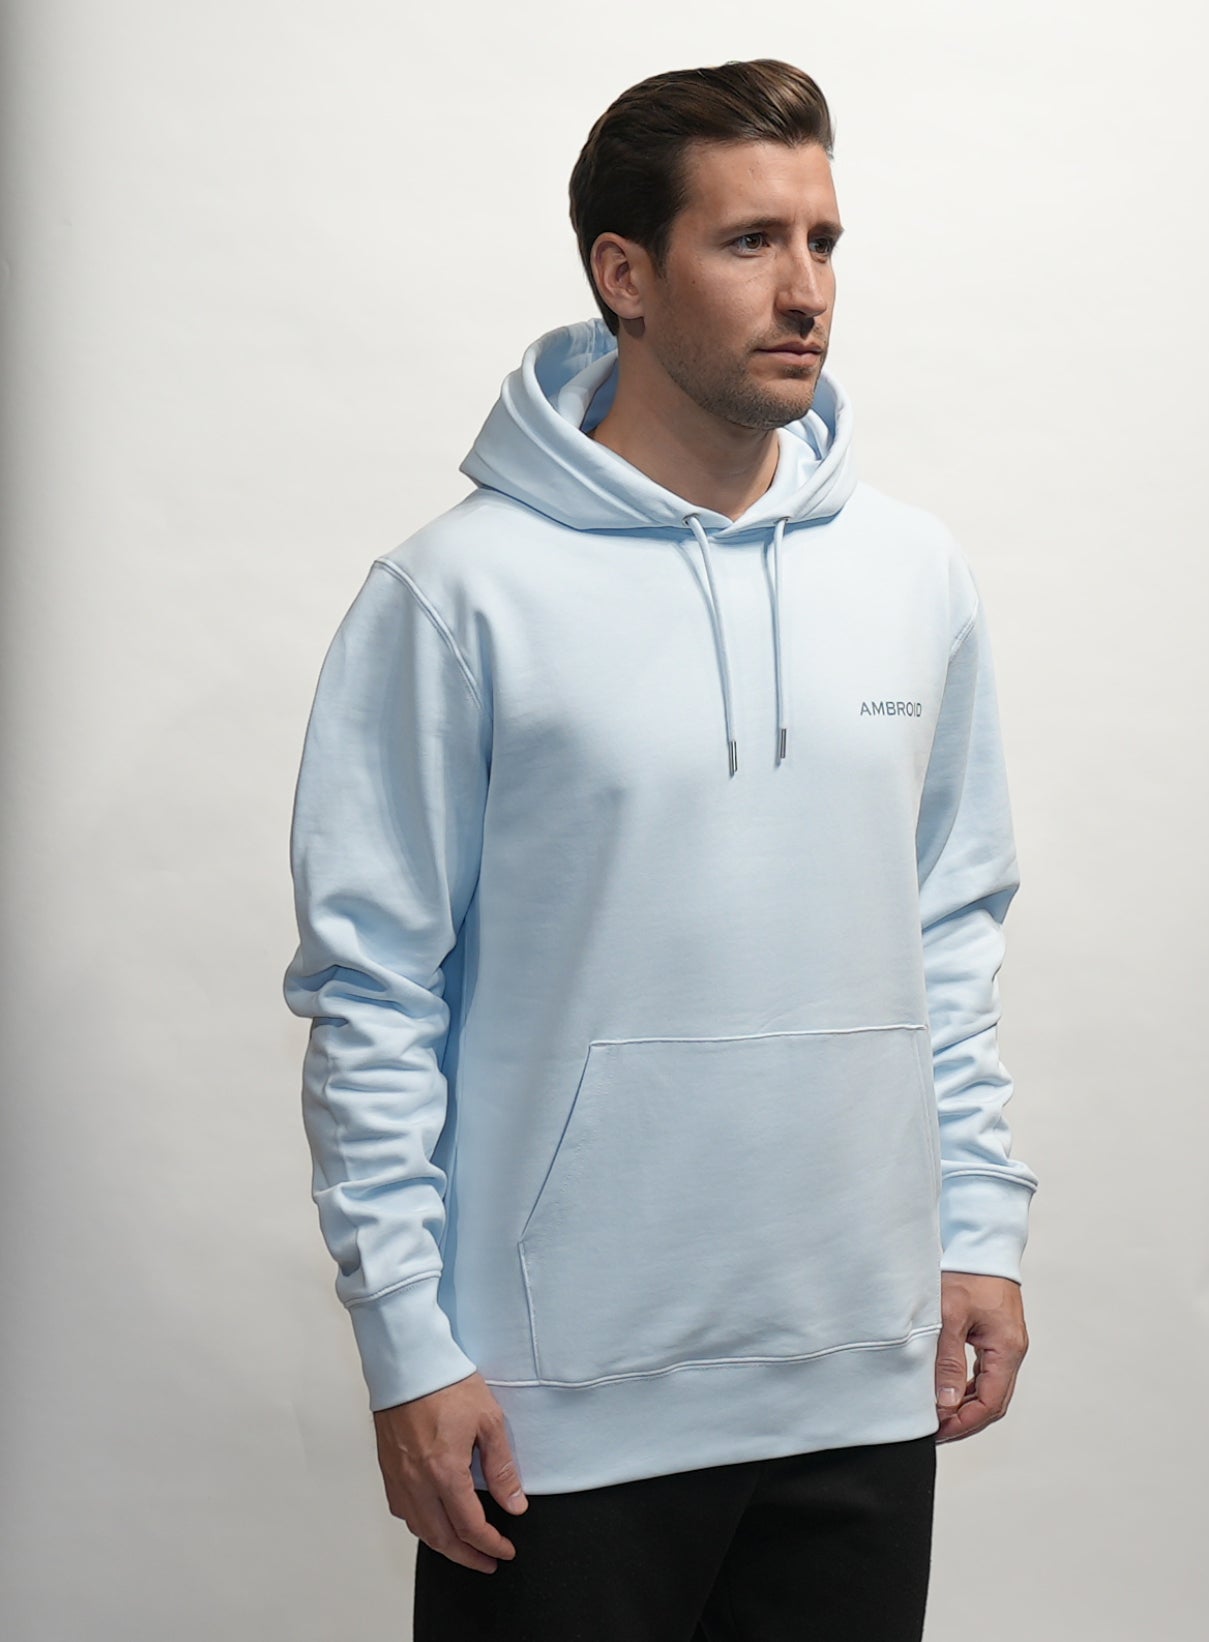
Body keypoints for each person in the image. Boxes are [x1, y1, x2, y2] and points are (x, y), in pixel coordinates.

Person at [283, 57, 1038, 1642]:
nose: (805, 289)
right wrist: (405, 1339)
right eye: (749, 241)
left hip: (857, 1379)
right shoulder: (457, 595)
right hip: (551, 1408)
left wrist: (976, 1227)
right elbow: (370, 988)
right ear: (624, 275)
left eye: (822, 241)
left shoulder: (912, 574)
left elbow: (948, 928)